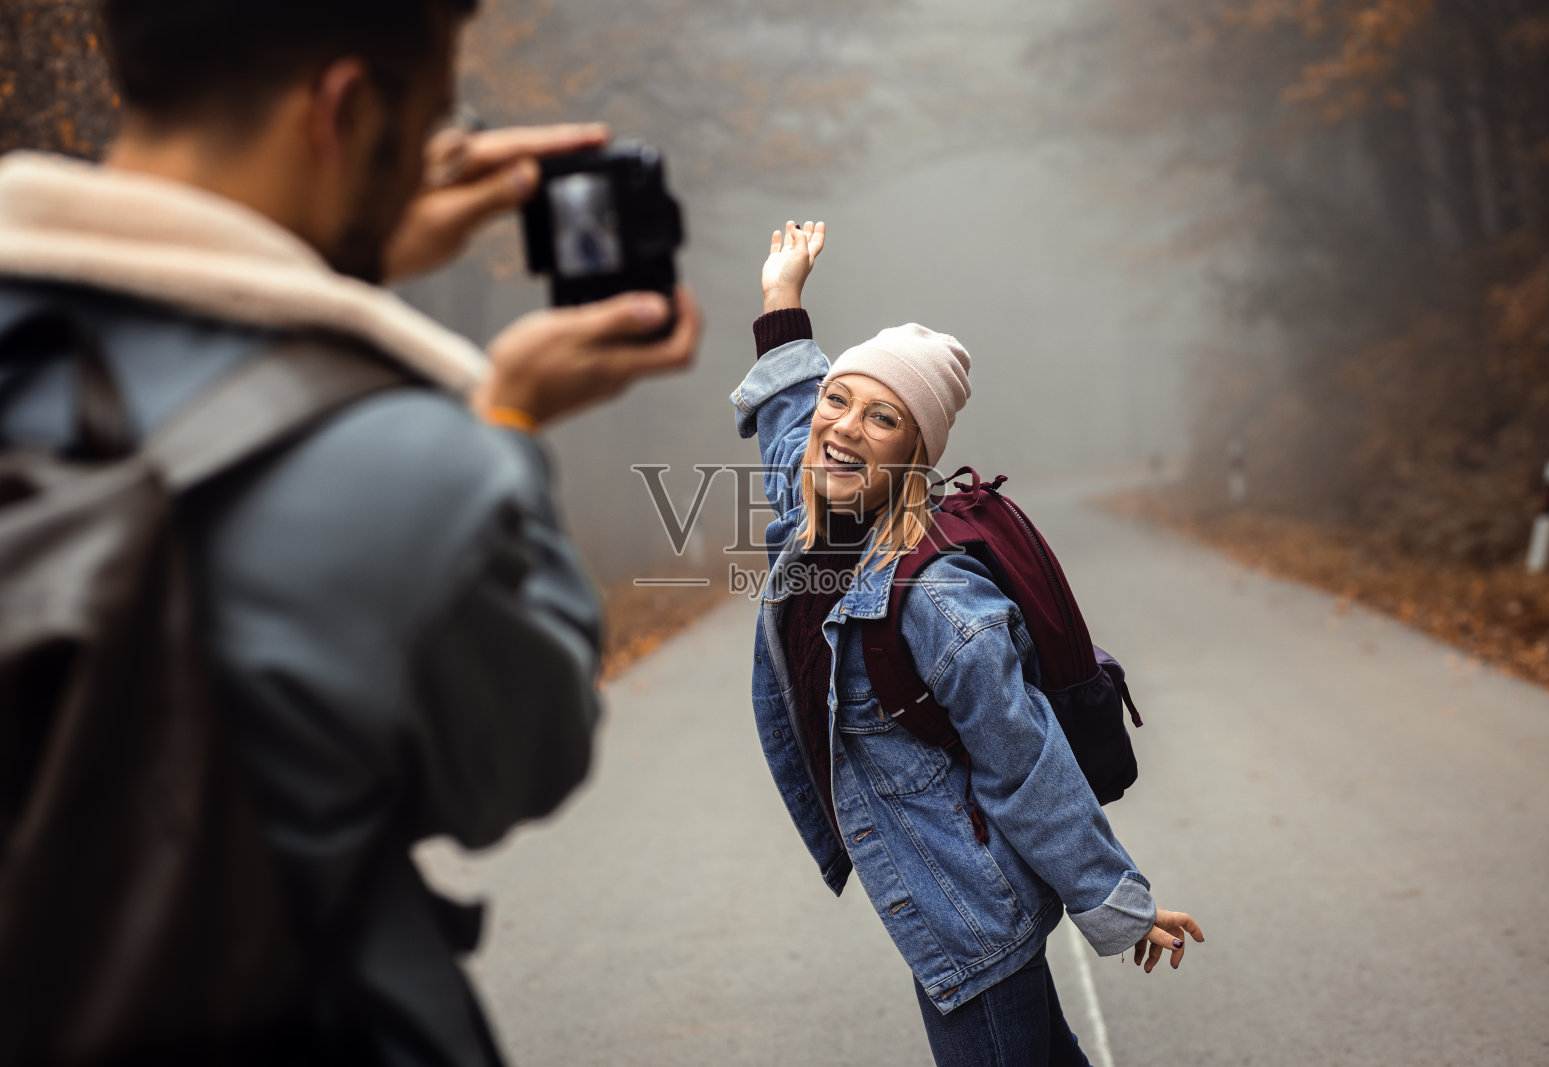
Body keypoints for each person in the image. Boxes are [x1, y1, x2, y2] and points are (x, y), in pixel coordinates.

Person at [0, 1, 700, 1063]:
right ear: (342, 106)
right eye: (421, 122)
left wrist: (330, 255)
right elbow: (526, 752)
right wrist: (502, 425)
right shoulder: (403, 470)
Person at [730, 220, 1203, 1066]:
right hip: (953, 900)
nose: (842, 427)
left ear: (913, 455)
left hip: (974, 915)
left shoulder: (939, 599)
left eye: (882, 417)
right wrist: (782, 296)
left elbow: (1026, 764)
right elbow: (790, 423)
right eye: (841, 399)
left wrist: (1116, 901)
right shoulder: (822, 520)